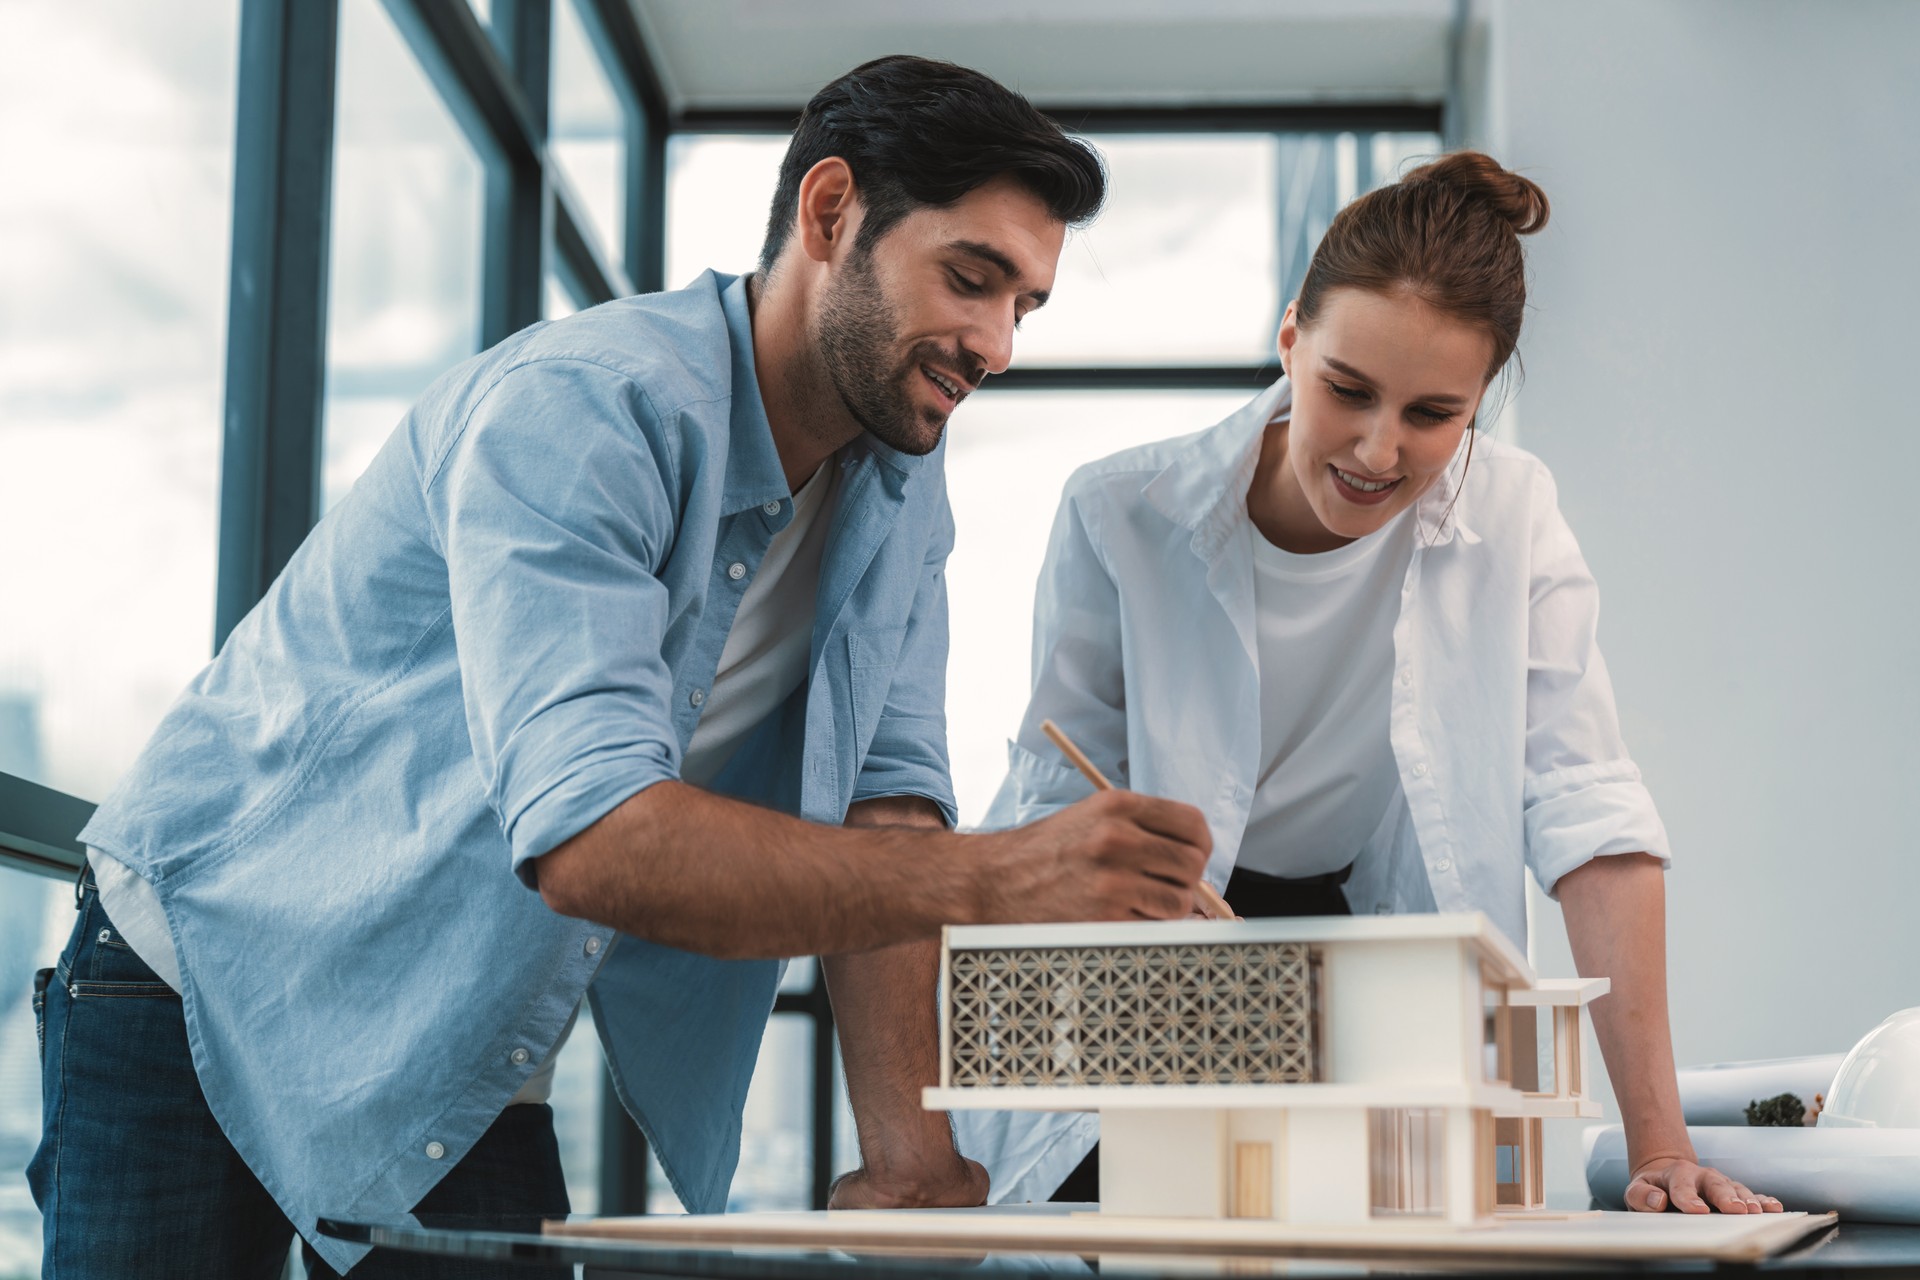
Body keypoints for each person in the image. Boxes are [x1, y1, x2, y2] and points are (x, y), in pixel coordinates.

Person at [30, 56, 1217, 1278]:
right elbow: (595, 835)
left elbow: (891, 806)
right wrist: (1007, 877)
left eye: (1025, 305)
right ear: (829, 214)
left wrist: (914, 1164)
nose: (996, 343)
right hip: (209, 978)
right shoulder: (586, 408)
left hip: (455, 1027)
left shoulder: (903, 487)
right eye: (971, 279)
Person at [957, 151, 1782, 1218]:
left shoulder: (1513, 515)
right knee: (1153, 1217)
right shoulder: (1124, 513)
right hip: (1162, 936)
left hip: (1374, 940)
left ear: (1480, 402)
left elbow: (1589, 811)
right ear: (1291, 335)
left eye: (1434, 413)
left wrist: (1659, 1144)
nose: (1376, 449)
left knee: (1417, 1219)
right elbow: (1058, 817)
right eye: (1347, 390)